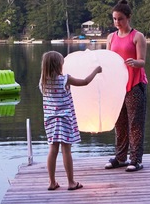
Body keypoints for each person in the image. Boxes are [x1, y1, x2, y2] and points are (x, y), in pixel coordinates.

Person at [39, 50, 102, 191]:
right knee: (66, 150)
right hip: (65, 119)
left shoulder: (43, 82)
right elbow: (85, 82)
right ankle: (71, 182)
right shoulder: (65, 79)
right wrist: (96, 71)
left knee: (52, 149)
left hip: (49, 120)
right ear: (58, 65)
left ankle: (52, 182)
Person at [105, 0, 148, 172]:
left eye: (120, 19)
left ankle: (135, 159)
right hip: (117, 87)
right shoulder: (110, 37)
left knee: (135, 124)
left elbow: (142, 62)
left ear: (128, 17)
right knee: (120, 123)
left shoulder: (137, 36)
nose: (117, 22)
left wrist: (134, 63)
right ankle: (121, 157)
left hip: (135, 85)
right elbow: (108, 61)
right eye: (114, 19)